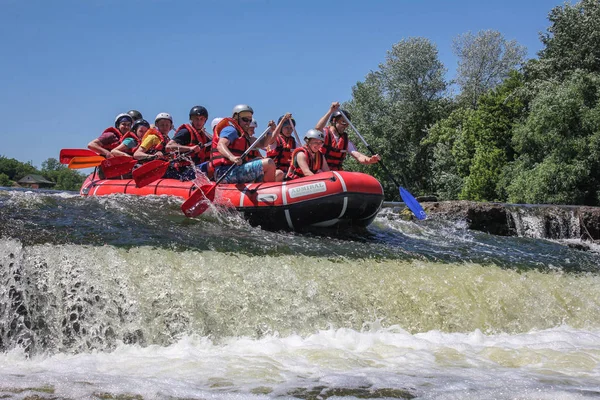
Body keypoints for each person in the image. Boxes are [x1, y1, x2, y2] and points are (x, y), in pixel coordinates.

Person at [210, 104, 279, 183]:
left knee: (262, 161)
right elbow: (220, 145)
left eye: (249, 120)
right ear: (236, 118)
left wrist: (270, 131)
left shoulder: (245, 136)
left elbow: (263, 144)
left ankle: (262, 190)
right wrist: (232, 157)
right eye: (245, 119)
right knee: (268, 163)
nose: (248, 123)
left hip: (236, 169)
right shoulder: (230, 130)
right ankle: (268, 191)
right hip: (225, 173)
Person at [315, 102, 380, 170]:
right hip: (320, 171)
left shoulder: (345, 141)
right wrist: (331, 111)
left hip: (335, 173)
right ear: (334, 120)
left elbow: (359, 156)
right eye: (343, 122)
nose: (345, 126)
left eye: (347, 123)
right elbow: (318, 128)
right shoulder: (324, 133)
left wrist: (370, 160)